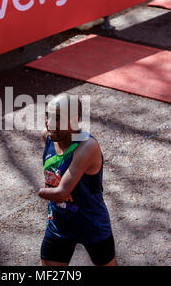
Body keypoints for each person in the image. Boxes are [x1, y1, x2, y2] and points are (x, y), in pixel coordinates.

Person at [38, 93, 117, 266]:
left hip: (91, 223)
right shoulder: (48, 137)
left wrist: (40, 192)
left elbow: (60, 193)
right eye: (47, 115)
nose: (50, 123)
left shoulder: (87, 146)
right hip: (59, 223)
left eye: (57, 118)